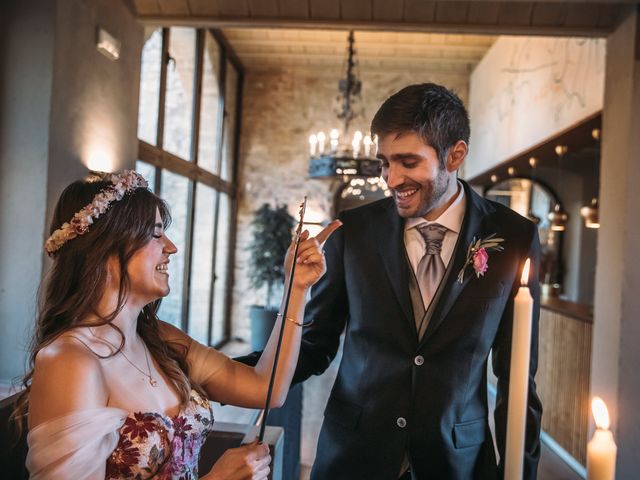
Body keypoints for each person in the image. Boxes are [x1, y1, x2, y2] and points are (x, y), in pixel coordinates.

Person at [239, 83, 543, 479]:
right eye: (384, 162)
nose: (390, 178)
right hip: (353, 457)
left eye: (408, 162)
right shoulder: (353, 231)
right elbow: (316, 344)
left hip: (456, 463)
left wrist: (523, 472)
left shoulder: (514, 237)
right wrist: (216, 373)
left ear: (455, 155)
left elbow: (518, 377)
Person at [12, 170, 341, 479]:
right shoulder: (71, 361)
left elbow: (265, 387)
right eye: (156, 234)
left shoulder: (160, 339)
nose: (171, 247)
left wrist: (295, 288)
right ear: (107, 247)